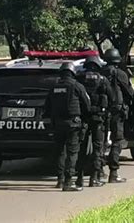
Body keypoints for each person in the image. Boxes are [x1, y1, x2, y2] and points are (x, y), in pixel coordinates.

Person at [45, 62, 90, 191]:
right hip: (73, 124)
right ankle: (68, 182)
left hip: (57, 124)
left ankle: (60, 179)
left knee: (60, 151)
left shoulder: (54, 87)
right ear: (72, 73)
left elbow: (47, 106)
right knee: (72, 152)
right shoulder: (77, 86)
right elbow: (86, 104)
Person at [76, 56, 115, 187]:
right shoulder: (102, 80)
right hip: (98, 118)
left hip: (83, 117)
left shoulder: (80, 78)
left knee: (81, 148)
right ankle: (94, 178)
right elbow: (112, 97)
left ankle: (79, 178)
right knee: (97, 148)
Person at [101, 48, 133, 183]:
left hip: (100, 112)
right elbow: (129, 92)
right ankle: (113, 173)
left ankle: (98, 172)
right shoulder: (120, 74)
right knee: (117, 140)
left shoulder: (99, 73)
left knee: (100, 142)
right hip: (117, 112)